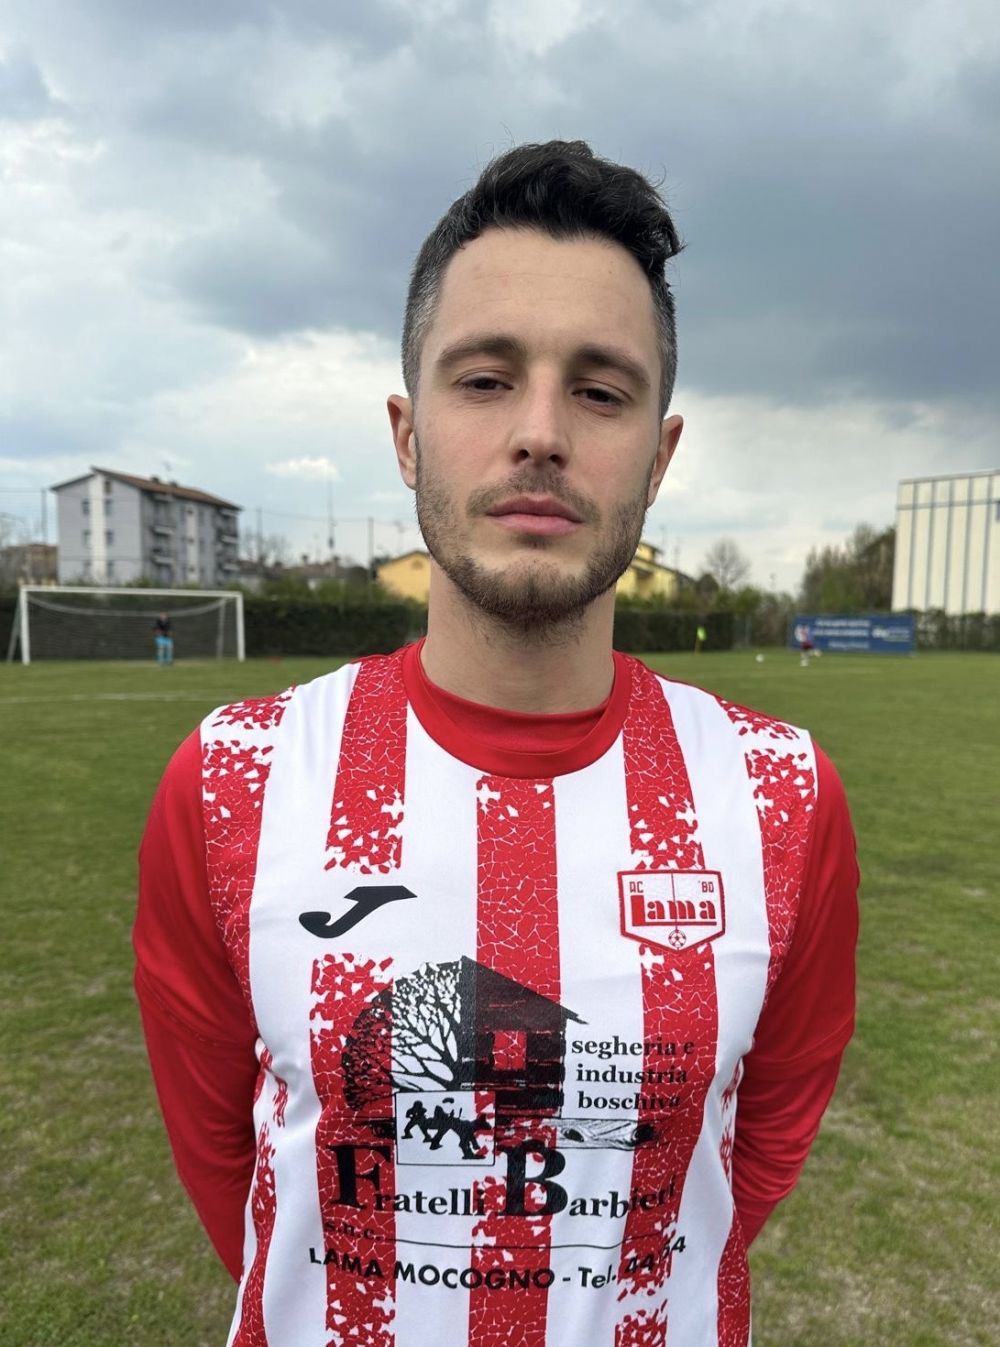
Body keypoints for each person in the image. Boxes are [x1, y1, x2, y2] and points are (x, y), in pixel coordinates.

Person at [135, 140, 858, 1347]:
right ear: (406, 435)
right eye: (483, 379)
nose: (539, 433)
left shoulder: (778, 795)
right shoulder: (235, 777)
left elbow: (760, 1146)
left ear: (658, 457)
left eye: (600, 391)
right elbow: (225, 1158)